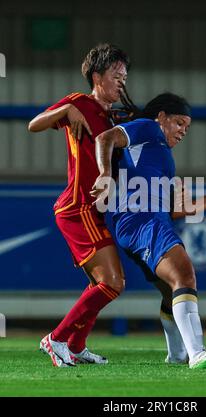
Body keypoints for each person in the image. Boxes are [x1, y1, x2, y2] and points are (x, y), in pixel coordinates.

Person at [91, 92, 206, 369]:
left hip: (150, 221)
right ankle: (197, 352)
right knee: (184, 274)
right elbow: (105, 138)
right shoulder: (148, 128)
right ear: (161, 117)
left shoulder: (162, 156)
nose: (184, 131)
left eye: (187, 127)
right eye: (179, 123)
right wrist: (104, 173)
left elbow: (177, 209)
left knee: (170, 290)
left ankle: (177, 356)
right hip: (141, 222)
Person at [28, 43, 132, 367]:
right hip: (78, 207)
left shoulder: (111, 116)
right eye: (116, 75)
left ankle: (75, 345)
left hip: (92, 209)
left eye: (125, 76)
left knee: (100, 283)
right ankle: (56, 338)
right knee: (112, 283)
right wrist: (65, 111)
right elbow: (34, 124)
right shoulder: (80, 103)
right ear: (97, 75)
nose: (122, 82)